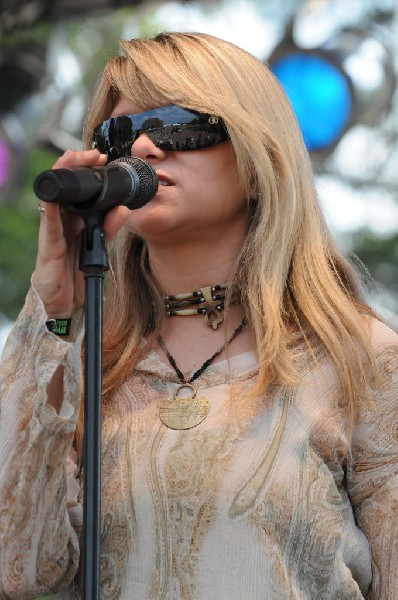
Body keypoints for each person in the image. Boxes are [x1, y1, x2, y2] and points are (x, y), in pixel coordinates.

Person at [0, 31, 397, 600]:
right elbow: (18, 567)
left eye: (175, 123)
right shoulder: (82, 360)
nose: (142, 148)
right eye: (119, 133)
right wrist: (53, 312)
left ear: (260, 158)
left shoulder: (360, 356)